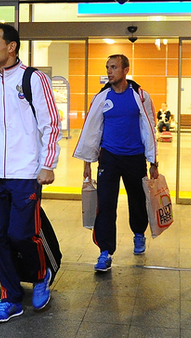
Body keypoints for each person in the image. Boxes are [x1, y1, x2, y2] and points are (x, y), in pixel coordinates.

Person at [0, 23, 62, 322]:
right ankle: (10, 297)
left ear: (11, 46)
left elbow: (51, 123)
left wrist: (47, 164)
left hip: (25, 173)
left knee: (22, 233)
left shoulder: (33, 79)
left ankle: (40, 275)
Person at [73, 54, 158, 272]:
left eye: (114, 67)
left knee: (137, 200)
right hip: (109, 157)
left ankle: (138, 233)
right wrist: (87, 162)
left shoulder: (140, 96)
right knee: (105, 204)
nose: (109, 72)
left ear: (126, 70)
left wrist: (153, 161)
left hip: (135, 157)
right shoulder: (102, 97)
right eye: (107, 67)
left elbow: (149, 128)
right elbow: (92, 131)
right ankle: (105, 251)